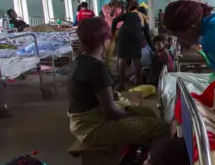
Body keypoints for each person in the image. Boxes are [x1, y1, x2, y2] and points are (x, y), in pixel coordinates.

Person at [66, 17, 168, 150]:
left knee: (146, 112)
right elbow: (110, 111)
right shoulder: (97, 68)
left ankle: (141, 153)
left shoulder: (78, 62)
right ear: (104, 41)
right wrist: (131, 116)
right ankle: (152, 162)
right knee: (161, 127)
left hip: (80, 123)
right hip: (92, 128)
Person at [112, 0, 154, 90]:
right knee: (136, 60)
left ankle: (121, 84)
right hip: (135, 37)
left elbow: (115, 20)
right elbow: (148, 37)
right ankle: (138, 82)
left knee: (122, 60)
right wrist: (154, 49)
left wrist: (113, 33)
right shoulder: (143, 18)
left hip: (123, 36)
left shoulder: (129, 13)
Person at [101, 0, 124, 66]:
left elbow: (123, 17)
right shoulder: (105, 7)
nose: (116, 0)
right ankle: (107, 66)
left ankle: (120, 65)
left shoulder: (119, 7)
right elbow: (110, 16)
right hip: (110, 29)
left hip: (120, 28)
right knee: (110, 48)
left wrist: (123, 8)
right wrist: (116, 7)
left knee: (120, 48)